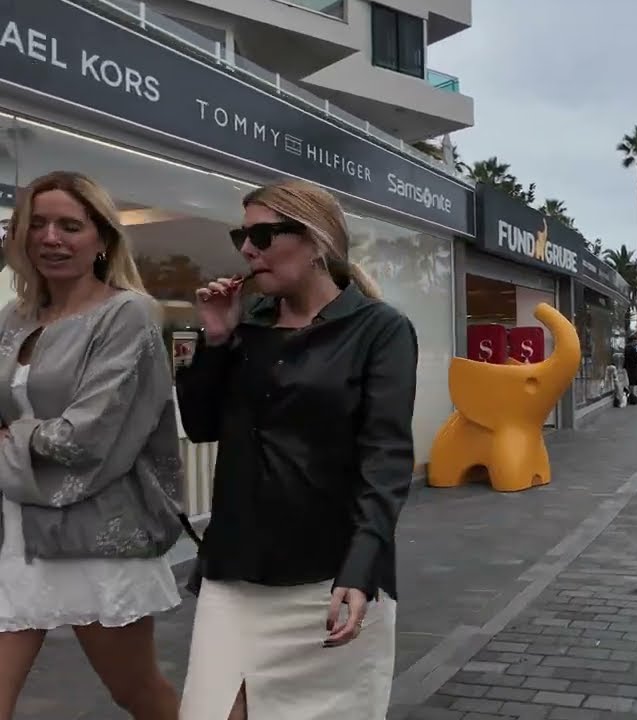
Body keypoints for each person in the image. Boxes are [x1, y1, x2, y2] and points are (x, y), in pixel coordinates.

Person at [175, 180, 418, 720]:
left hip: (331, 576)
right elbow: (200, 425)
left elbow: (386, 459)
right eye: (243, 235)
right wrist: (216, 339)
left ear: (316, 243)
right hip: (235, 571)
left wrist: (362, 567)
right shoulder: (246, 327)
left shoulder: (380, 330)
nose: (247, 249)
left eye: (262, 234)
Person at [0, 171, 184, 720]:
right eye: (38, 224)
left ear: (102, 239)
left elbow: (89, 436)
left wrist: (11, 441)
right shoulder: (14, 318)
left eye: (70, 225)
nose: (50, 237)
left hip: (92, 532)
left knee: (138, 694)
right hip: (14, 531)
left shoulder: (126, 314)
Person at [623, 335, 637, 404]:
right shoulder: (632, 348)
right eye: (635, 341)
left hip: (629, 367)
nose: (636, 342)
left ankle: (631, 395)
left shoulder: (626, 348)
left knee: (631, 381)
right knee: (633, 382)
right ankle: (632, 396)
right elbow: (635, 358)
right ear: (633, 341)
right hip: (633, 367)